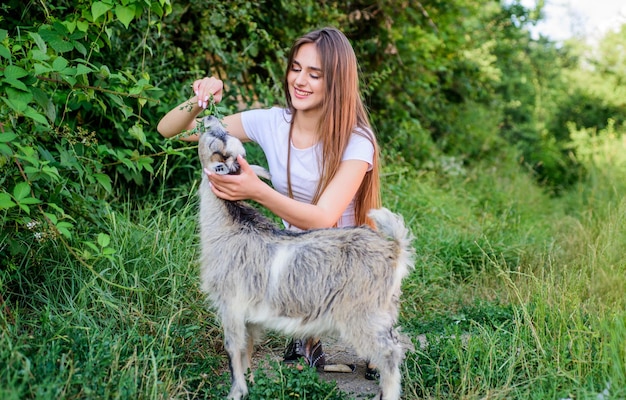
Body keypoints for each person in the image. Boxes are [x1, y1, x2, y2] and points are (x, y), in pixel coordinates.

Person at [157, 27, 381, 380]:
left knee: (375, 358)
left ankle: (345, 325)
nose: (300, 81)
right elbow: (171, 130)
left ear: (337, 81)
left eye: (315, 74)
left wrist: (256, 190)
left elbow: (324, 218)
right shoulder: (273, 123)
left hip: (345, 264)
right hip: (295, 259)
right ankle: (306, 334)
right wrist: (202, 97)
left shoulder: (357, 140)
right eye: (296, 68)